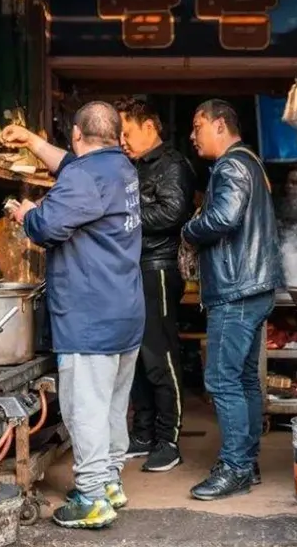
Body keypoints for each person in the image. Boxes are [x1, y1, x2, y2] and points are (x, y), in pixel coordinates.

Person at [2, 102, 144, 530]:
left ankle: (91, 498)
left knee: (85, 410)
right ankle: (110, 483)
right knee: (112, 408)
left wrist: (27, 214)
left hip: (89, 318)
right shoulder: (119, 168)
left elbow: (47, 227)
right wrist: (30, 141)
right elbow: (72, 166)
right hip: (124, 312)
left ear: (78, 135)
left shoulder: (86, 176)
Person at [182, 99, 285, 501]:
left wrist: (190, 230)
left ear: (220, 125)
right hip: (253, 287)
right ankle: (247, 462)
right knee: (242, 379)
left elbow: (223, 218)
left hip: (236, 288)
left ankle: (236, 468)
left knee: (223, 380)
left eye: (197, 126)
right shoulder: (251, 163)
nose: (192, 136)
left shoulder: (231, 165)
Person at [113, 97, 196, 471]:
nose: (122, 141)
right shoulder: (132, 166)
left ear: (149, 127)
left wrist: (122, 214)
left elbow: (173, 211)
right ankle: (143, 433)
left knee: (159, 354)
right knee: (135, 353)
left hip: (158, 269)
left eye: (127, 133)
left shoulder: (171, 164)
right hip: (132, 268)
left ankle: (169, 440)